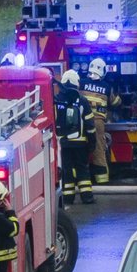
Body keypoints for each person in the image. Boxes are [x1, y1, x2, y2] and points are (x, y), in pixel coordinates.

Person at [55, 69, 93, 202]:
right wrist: (92, 143)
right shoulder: (82, 100)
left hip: (62, 144)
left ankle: (68, 198)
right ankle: (87, 197)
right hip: (80, 143)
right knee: (82, 169)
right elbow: (90, 124)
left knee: (67, 170)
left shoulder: (56, 100)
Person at [83, 56, 113, 185]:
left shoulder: (81, 83)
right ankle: (102, 180)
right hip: (98, 123)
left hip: (81, 122)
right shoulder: (106, 87)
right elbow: (115, 102)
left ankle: (81, 178)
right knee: (99, 149)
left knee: (80, 149)